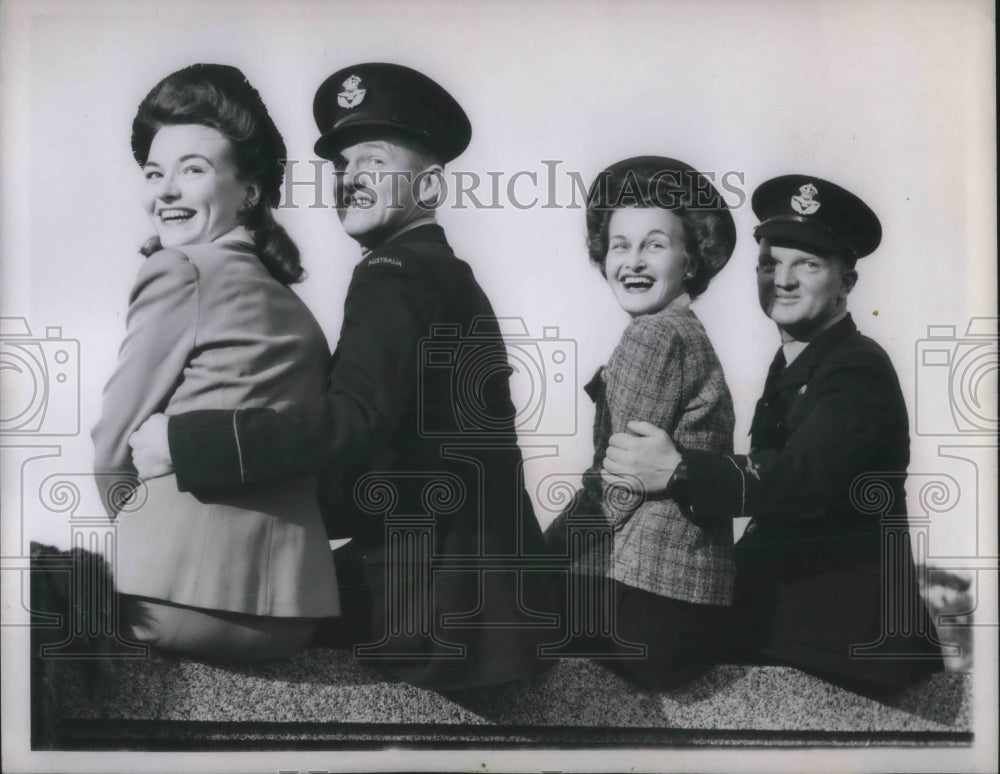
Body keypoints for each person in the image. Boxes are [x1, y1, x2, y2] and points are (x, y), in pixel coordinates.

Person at [128, 62, 559, 690]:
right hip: (489, 602)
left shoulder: (392, 271)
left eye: (374, 164)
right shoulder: (445, 273)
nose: (351, 180)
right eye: (341, 167)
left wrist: (183, 443)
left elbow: (354, 422)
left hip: (434, 610)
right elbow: (400, 461)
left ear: (431, 189)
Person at [602, 174, 945, 693]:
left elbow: (804, 478)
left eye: (807, 264)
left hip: (847, 629)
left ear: (846, 283)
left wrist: (676, 472)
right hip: (795, 609)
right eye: (769, 263)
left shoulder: (857, 366)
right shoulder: (794, 363)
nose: (782, 280)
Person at [91, 64, 339, 658]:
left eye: (193, 170)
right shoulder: (294, 307)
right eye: (155, 173)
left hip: (172, 597)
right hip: (290, 616)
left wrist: (140, 537)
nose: (166, 191)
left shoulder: (179, 270)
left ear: (249, 192)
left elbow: (111, 448)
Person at [544, 157, 737, 687]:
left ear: (691, 261)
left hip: (643, 608)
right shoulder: (688, 331)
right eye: (620, 245)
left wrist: (536, 562)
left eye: (654, 244)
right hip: (691, 606)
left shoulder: (652, 334)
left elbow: (616, 487)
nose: (632, 261)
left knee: (477, 608)